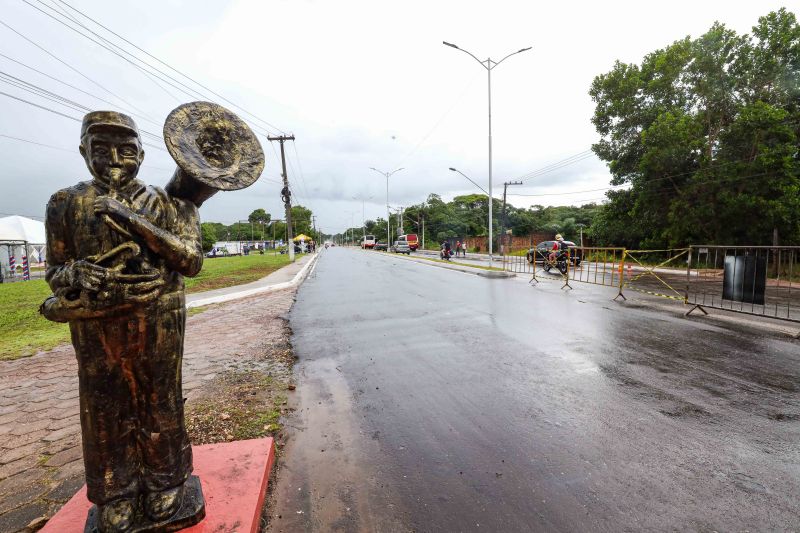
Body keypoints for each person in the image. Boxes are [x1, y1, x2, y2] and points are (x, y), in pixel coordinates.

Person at [40, 111, 203, 532]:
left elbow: (191, 261)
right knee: (104, 406)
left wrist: (134, 220)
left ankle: (166, 480)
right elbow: (55, 272)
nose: (115, 158)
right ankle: (116, 491)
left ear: (143, 154)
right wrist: (74, 274)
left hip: (160, 319)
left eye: (127, 150)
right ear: (83, 151)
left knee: (160, 399)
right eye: (101, 149)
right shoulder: (64, 203)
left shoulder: (171, 203)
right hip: (97, 326)